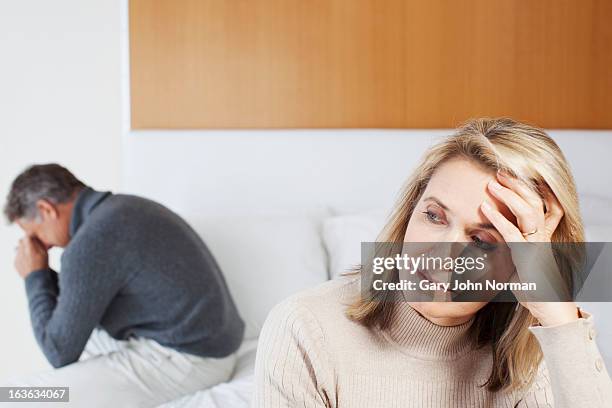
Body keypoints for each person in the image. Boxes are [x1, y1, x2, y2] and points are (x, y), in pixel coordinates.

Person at [252, 118, 612, 407]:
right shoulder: (306, 328)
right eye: (435, 216)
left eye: (481, 240)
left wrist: (559, 319)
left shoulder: (539, 355)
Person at [3, 164, 245, 407]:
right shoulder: (125, 207)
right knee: (65, 341)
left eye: (35, 235)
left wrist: (35, 275)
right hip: (210, 341)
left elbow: (58, 351)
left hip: (191, 359)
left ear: (46, 210)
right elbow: (73, 312)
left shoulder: (90, 243)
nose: (41, 246)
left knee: (23, 396)